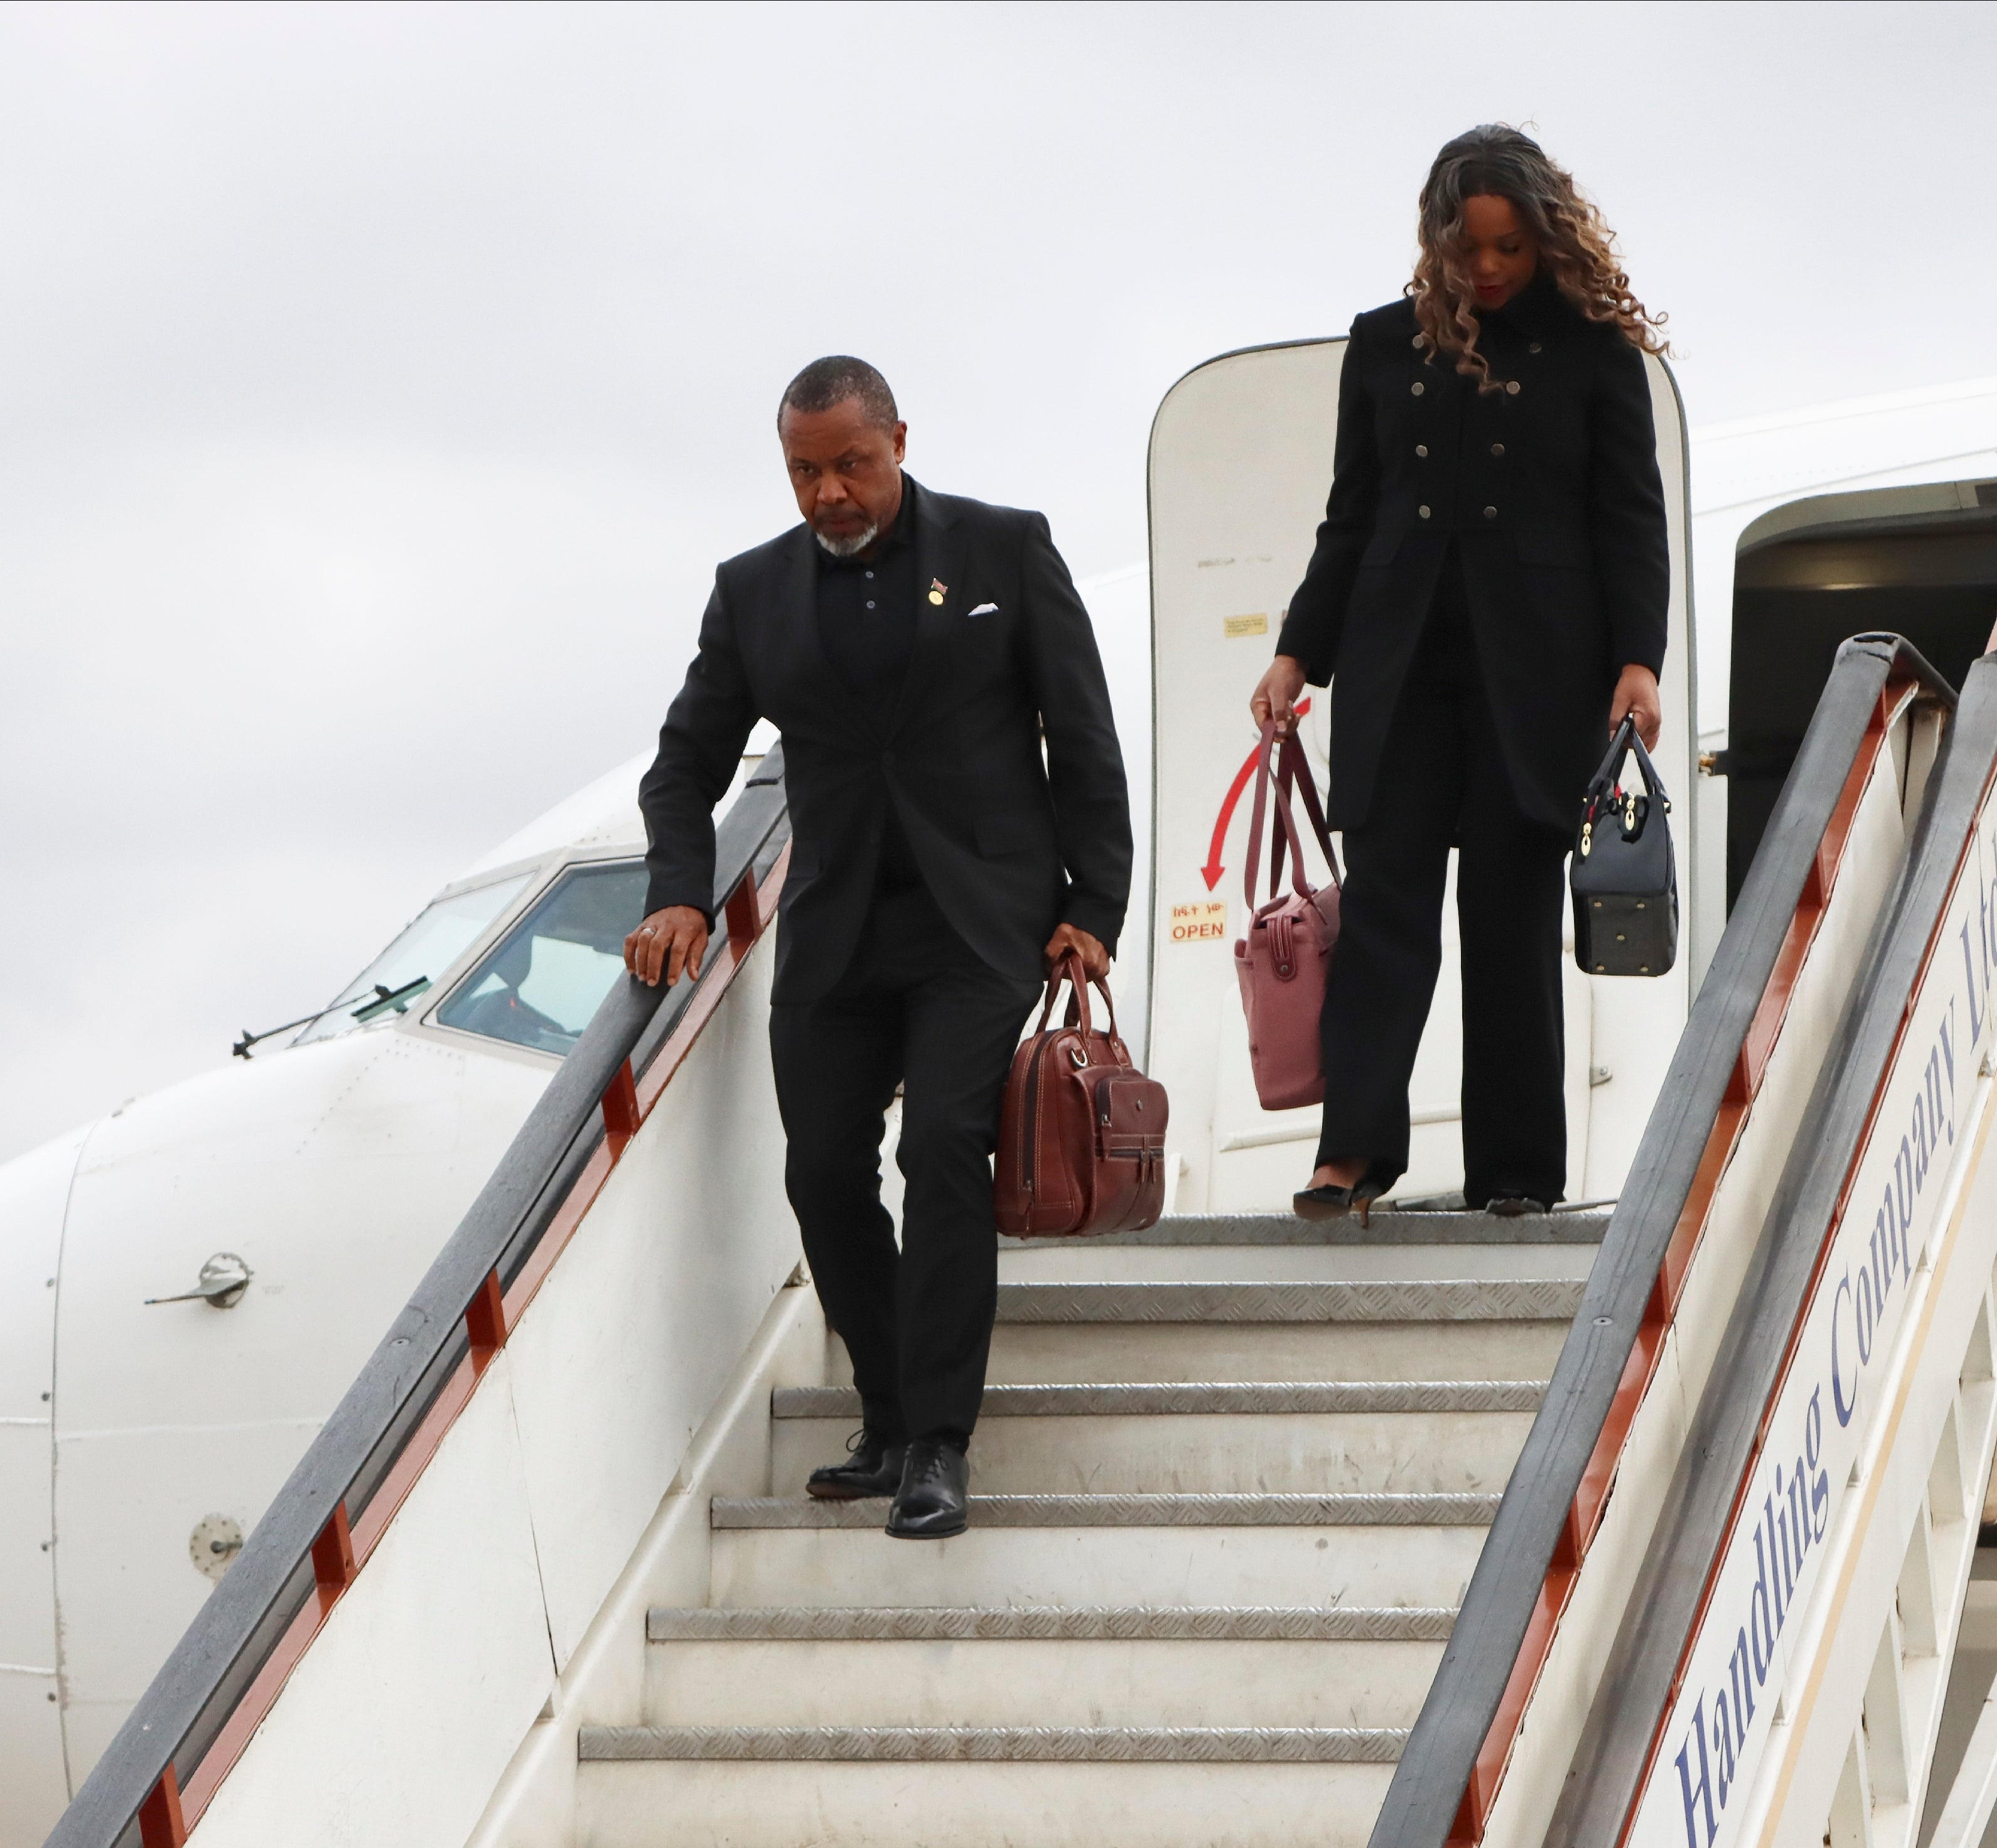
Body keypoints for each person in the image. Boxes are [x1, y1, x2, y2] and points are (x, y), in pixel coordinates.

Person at [625, 357, 1130, 1539]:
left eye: (851, 463)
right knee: (821, 1172)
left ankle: (942, 1445)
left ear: (899, 438)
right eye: (805, 471)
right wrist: (680, 893)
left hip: (982, 919)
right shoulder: (752, 593)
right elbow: (684, 764)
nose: (830, 493)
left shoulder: (1006, 549)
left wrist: (1092, 908)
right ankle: (890, 1415)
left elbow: (1083, 735)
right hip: (838, 928)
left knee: (946, 1146)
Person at [1249, 125, 1671, 1222]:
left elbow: (1630, 516)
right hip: (1400, 668)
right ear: (1435, 239)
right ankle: (1352, 1155)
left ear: (1546, 240)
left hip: (1535, 677)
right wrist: (1300, 652)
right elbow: (1353, 516)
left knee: (1510, 918)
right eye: (1467, 246)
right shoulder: (1383, 343)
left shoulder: (1594, 351)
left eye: (1510, 248)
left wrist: (1640, 660)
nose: (1487, 269)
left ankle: (1518, 1175)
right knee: (1383, 912)